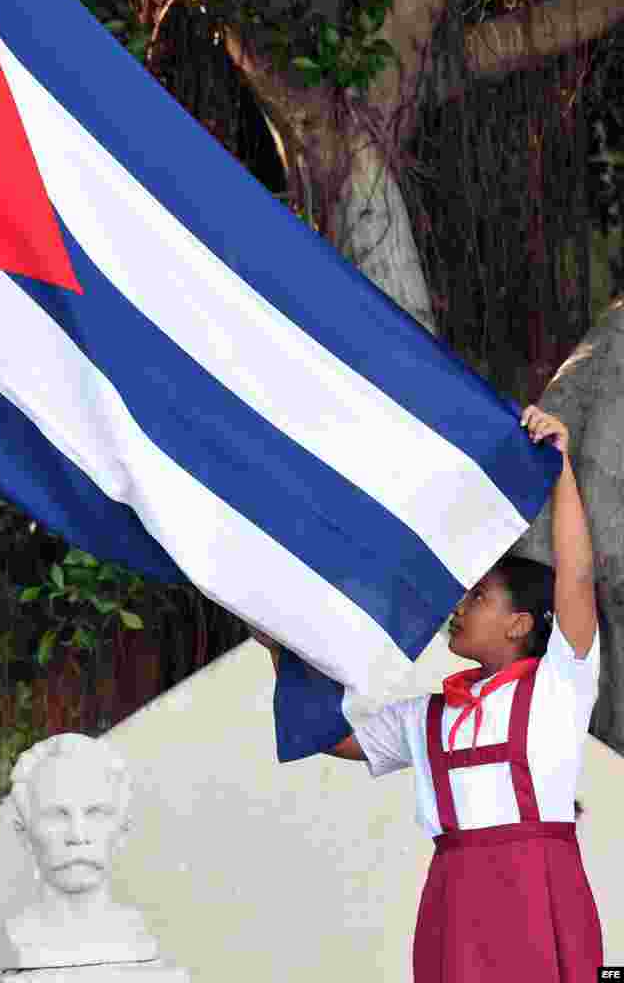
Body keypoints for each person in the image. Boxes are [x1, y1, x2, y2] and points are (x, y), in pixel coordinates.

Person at [253, 405, 602, 982]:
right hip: (454, 895)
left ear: (520, 624)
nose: (458, 607)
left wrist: (560, 468)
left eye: (480, 597)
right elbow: (335, 738)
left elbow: (577, 577)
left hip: (541, 887)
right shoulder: (430, 715)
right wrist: (280, 649)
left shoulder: (560, 683)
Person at [1, 732, 159, 969]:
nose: (77, 835)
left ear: (122, 831)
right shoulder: (18, 937)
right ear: (24, 834)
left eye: (96, 813)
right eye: (57, 815)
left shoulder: (135, 930)